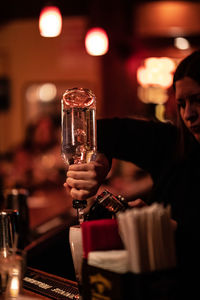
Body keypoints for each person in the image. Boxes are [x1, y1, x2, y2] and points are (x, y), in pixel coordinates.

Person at [65, 50, 200, 296]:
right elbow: (103, 131)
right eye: (181, 104)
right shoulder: (173, 142)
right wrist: (99, 164)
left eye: (198, 100)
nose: (189, 114)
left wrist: (158, 227)